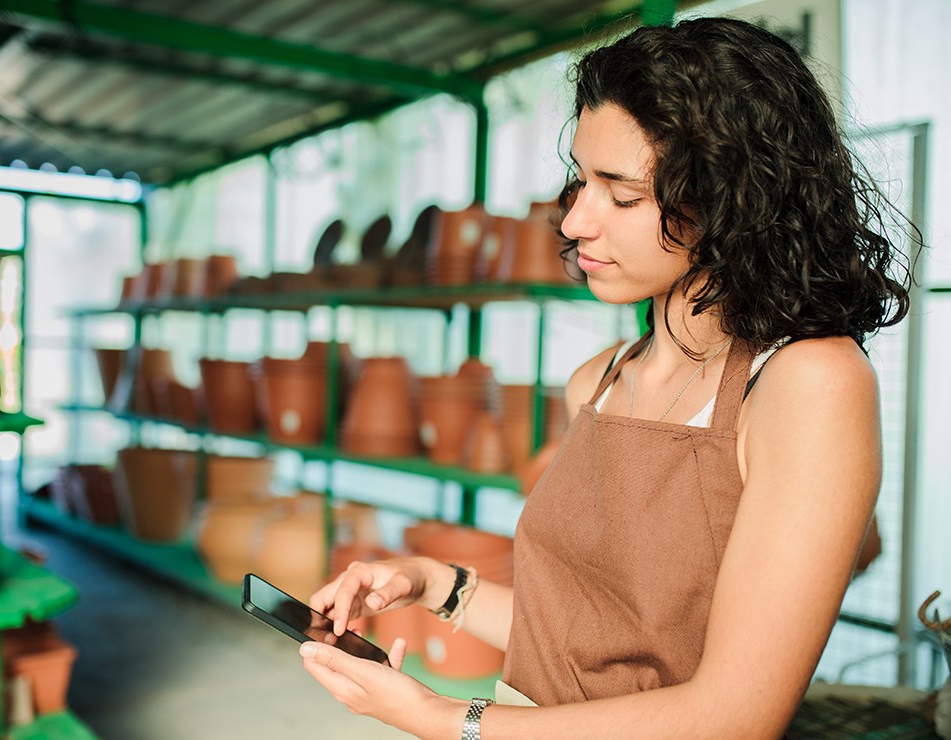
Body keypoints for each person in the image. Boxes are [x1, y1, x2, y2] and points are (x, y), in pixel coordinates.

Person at [298, 16, 916, 739]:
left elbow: (734, 716)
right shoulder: (599, 380)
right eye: (579, 181)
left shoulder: (806, 383)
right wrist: (434, 582)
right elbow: (583, 639)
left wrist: (443, 718)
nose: (576, 222)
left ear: (730, 199)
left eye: (621, 195)